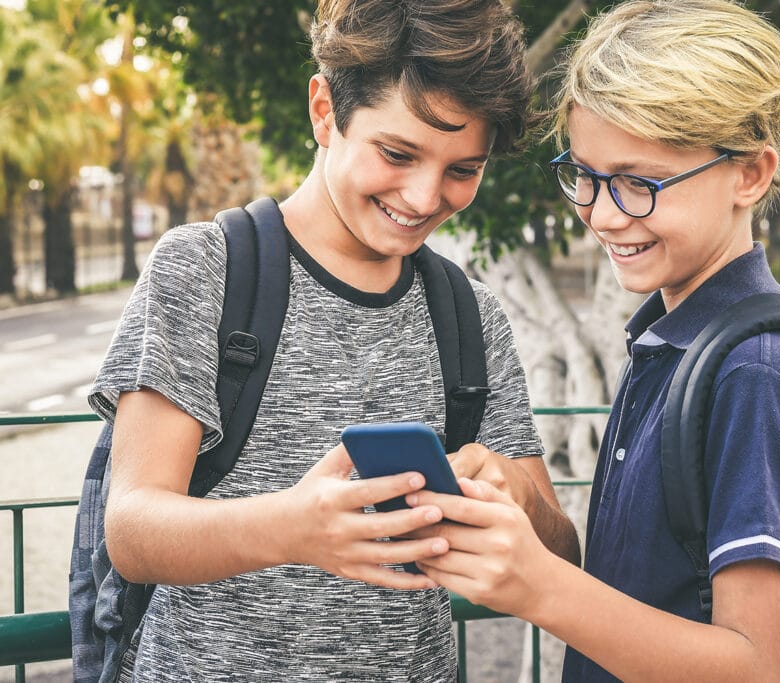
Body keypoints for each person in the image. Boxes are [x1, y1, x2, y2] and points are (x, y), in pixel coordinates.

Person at [91, 0, 579, 680]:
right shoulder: (202, 268)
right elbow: (134, 532)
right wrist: (294, 525)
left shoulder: (471, 315)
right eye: (397, 152)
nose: (423, 195)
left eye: (463, 170)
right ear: (325, 110)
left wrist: (519, 503)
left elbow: (561, 556)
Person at [411, 1, 780, 681]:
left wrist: (536, 586)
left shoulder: (759, 372)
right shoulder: (675, 345)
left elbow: (757, 666)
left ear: (751, 174)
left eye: (640, 183)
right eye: (585, 176)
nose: (605, 214)